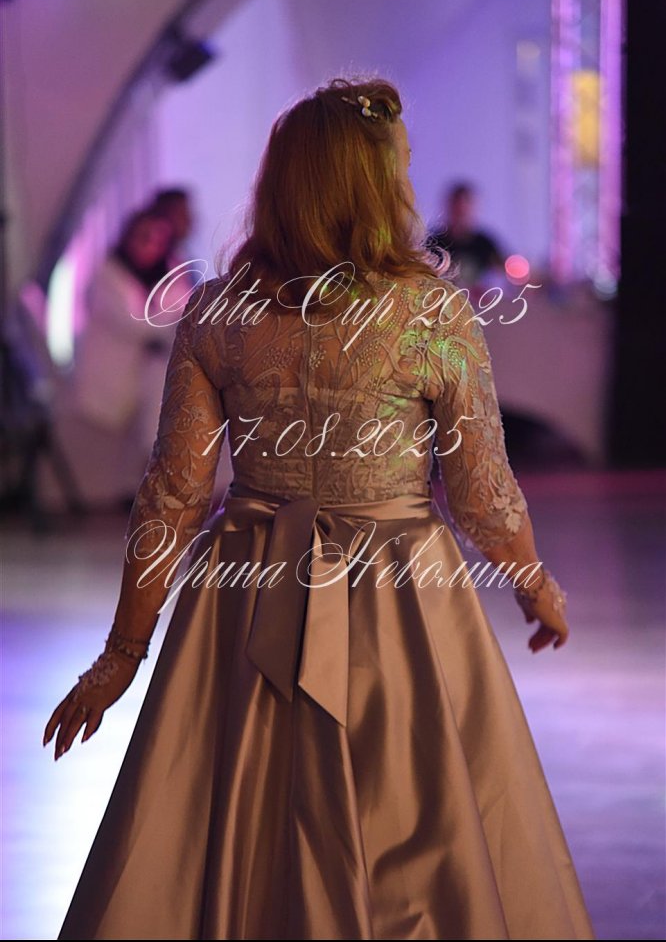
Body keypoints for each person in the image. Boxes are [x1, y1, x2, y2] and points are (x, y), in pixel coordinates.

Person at [44, 76, 595, 940]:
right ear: (374, 184)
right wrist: (533, 583)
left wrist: (123, 652)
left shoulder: (220, 312)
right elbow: (482, 490)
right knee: (415, 826)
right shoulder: (432, 311)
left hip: (245, 594)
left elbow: (174, 496)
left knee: (237, 825)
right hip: (402, 598)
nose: (408, 180)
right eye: (399, 166)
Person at [72, 208, 189, 485]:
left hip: (153, 378)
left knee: (157, 437)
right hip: (114, 377)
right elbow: (137, 322)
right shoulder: (108, 274)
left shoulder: (172, 273)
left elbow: (181, 313)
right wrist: (172, 322)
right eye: (144, 237)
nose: (151, 246)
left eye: (159, 240)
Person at [429, 181, 506, 294]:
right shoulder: (433, 243)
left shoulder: (485, 243)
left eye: (465, 209)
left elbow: (502, 270)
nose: (461, 213)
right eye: (457, 209)